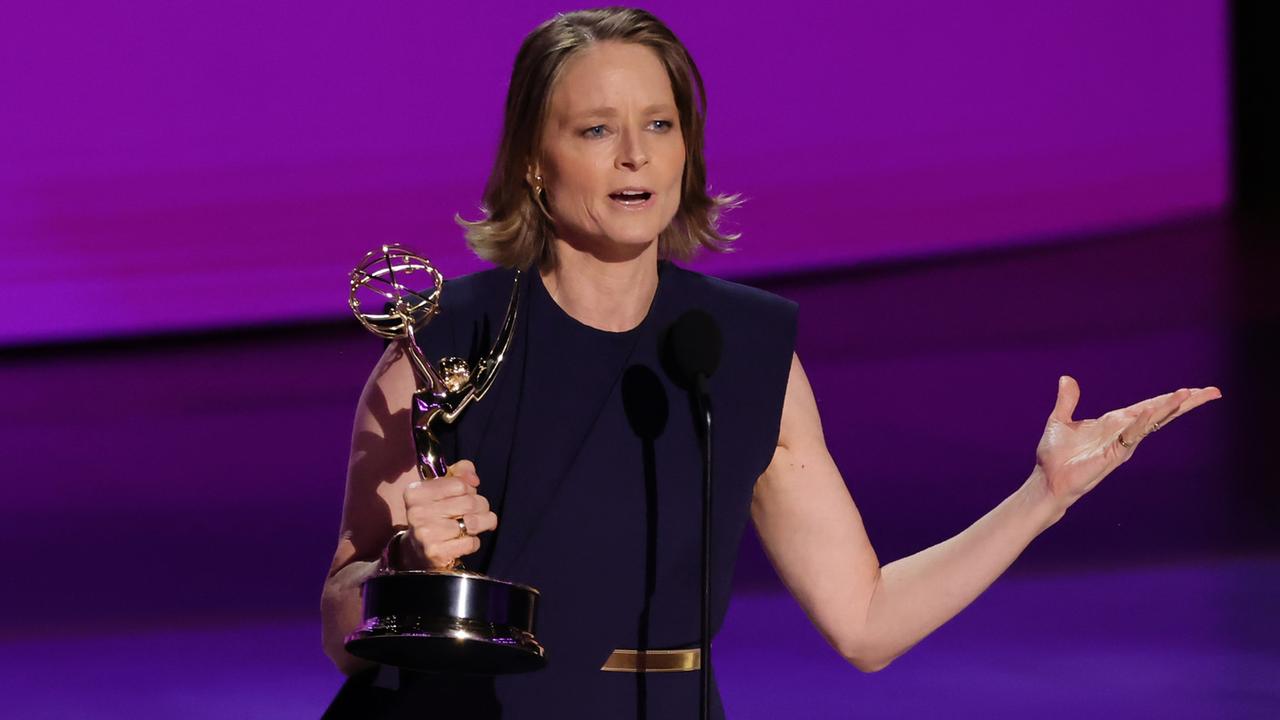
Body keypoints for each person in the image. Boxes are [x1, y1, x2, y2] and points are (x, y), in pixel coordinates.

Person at [320, 7, 1222, 718]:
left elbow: (864, 621)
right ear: (530, 162)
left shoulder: (739, 353)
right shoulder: (439, 345)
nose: (635, 154)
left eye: (659, 124)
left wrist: (1042, 498)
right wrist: (401, 567)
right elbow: (342, 617)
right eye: (596, 129)